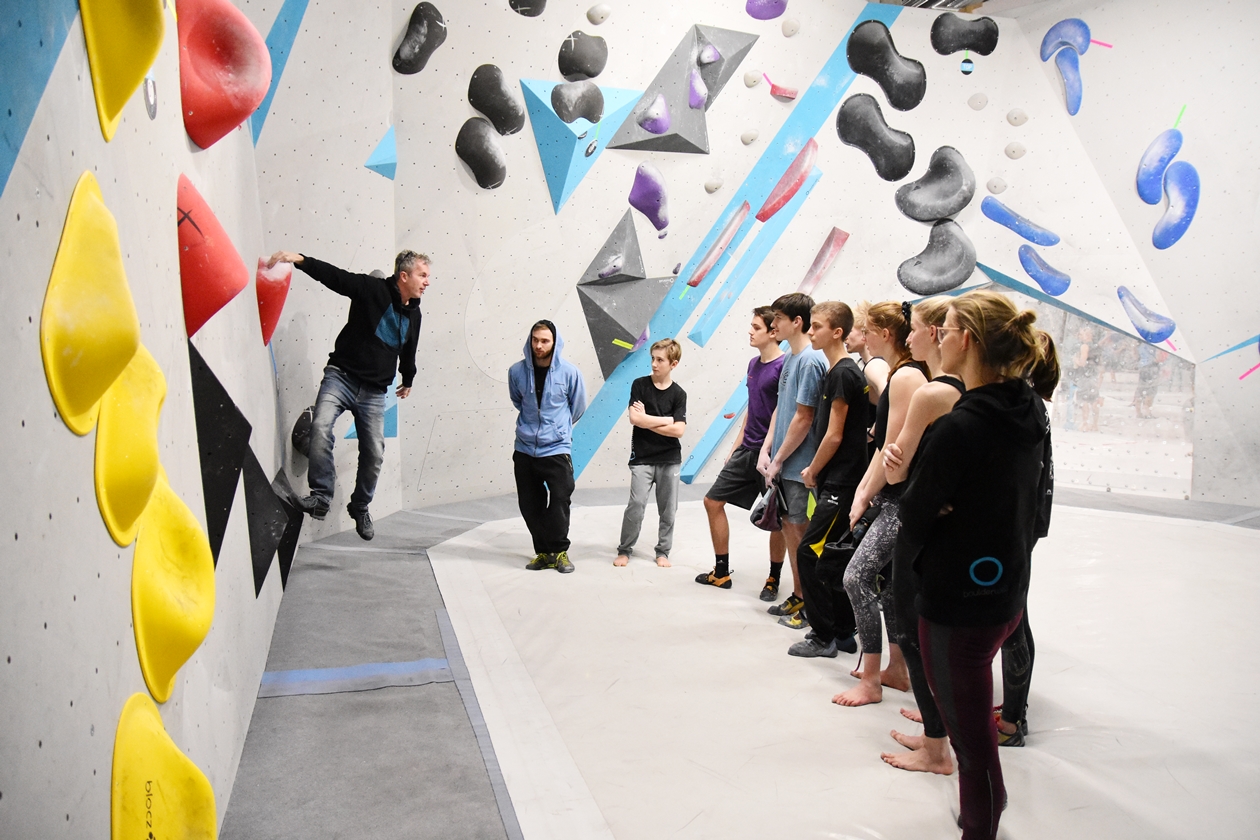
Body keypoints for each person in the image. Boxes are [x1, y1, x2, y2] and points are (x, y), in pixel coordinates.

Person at [895, 289, 1057, 840]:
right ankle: (988, 802)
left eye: (946, 327)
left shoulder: (959, 429)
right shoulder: (1028, 408)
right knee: (971, 730)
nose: (937, 335)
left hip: (956, 608)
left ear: (966, 340)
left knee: (972, 741)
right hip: (1005, 594)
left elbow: (914, 514)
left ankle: (981, 824)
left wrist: (917, 489)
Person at [266, 249, 428, 540]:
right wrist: (302, 259)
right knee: (320, 426)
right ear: (404, 276)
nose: (427, 282)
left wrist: (409, 378)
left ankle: (360, 507)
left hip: (375, 392)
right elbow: (336, 278)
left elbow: (409, 348)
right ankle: (321, 496)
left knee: (374, 452)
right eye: (422, 275)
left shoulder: (414, 313)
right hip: (341, 377)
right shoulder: (371, 289)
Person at [870, 296, 963, 773]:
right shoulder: (963, 391)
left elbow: (898, 459)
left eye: (919, 328)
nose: (909, 336)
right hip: (939, 525)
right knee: (923, 630)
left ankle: (937, 746)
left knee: (916, 626)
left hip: (924, 524)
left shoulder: (930, 391)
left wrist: (889, 460)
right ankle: (936, 733)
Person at [835, 302, 926, 706]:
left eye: (866, 329)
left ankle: (871, 679)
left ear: (884, 334)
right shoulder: (899, 376)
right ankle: (896, 669)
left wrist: (864, 495)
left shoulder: (905, 376)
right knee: (887, 589)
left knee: (856, 578)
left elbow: (892, 450)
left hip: (900, 500)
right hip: (893, 496)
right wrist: (863, 494)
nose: (862, 336)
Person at [786, 301, 869, 657]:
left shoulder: (842, 374)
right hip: (838, 481)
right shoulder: (839, 372)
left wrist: (813, 469)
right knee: (835, 555)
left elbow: (834, 435)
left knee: (810, 554)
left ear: (837, 332)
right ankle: (844, 631)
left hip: (840, 483)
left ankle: (823, 637)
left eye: (816, 326)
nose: (811, 332)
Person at [695, 308, 786, 594]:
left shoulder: (784, 366)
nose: (750, 331)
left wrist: (775, 453)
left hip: (770, 455)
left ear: (773, 332)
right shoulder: (753, 364)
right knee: (712, 501)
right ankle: (721, 572)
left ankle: (773, 578)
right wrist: (735, 449)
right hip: (747, 450)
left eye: (756, 327)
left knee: (778, 520)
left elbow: (784, 412)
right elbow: (752, 408)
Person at [758, 293, 829, 622]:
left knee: (802, 536)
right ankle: (799, 595)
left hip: (800, 466)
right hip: (785, 463)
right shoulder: (790, 357)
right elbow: (782, 409)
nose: (773, 325)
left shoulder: (812, 360)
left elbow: (804, 418)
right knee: (790, 528)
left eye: (778, 319)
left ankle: (810, 604)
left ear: (796, 322)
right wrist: (767, 446)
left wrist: (779, 458)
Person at [508, 320, 588, 573]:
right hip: (524, 448)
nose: (539, 345)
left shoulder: (570, 373)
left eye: (545, 341)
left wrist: (558, 429)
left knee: (560, 500)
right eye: (535, 340)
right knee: (530, 504)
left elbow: (578, 407)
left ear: (555, 343)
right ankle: (543, 553)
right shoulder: (516, 372)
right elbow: (518, 401)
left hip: (556, 448)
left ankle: (559, 552)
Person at [614, 339, 687, 568]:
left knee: (669, 509)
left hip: (670, 459)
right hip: (642, 458)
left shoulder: (679, 394)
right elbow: (635, 419)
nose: (654, 364)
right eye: (652, 359)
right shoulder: (640, 386)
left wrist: (648, 421)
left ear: (673, 364)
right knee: (636, 504)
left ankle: (662, 551)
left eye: (660, 360)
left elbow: (679, 431)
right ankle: (625, 549)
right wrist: (666, 420)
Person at [849, 301, 889, 462]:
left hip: (875, 449)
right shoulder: (862, 364)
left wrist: (872, 432)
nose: (845, 335)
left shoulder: (875, 365)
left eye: (850, 330)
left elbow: (891, 396)